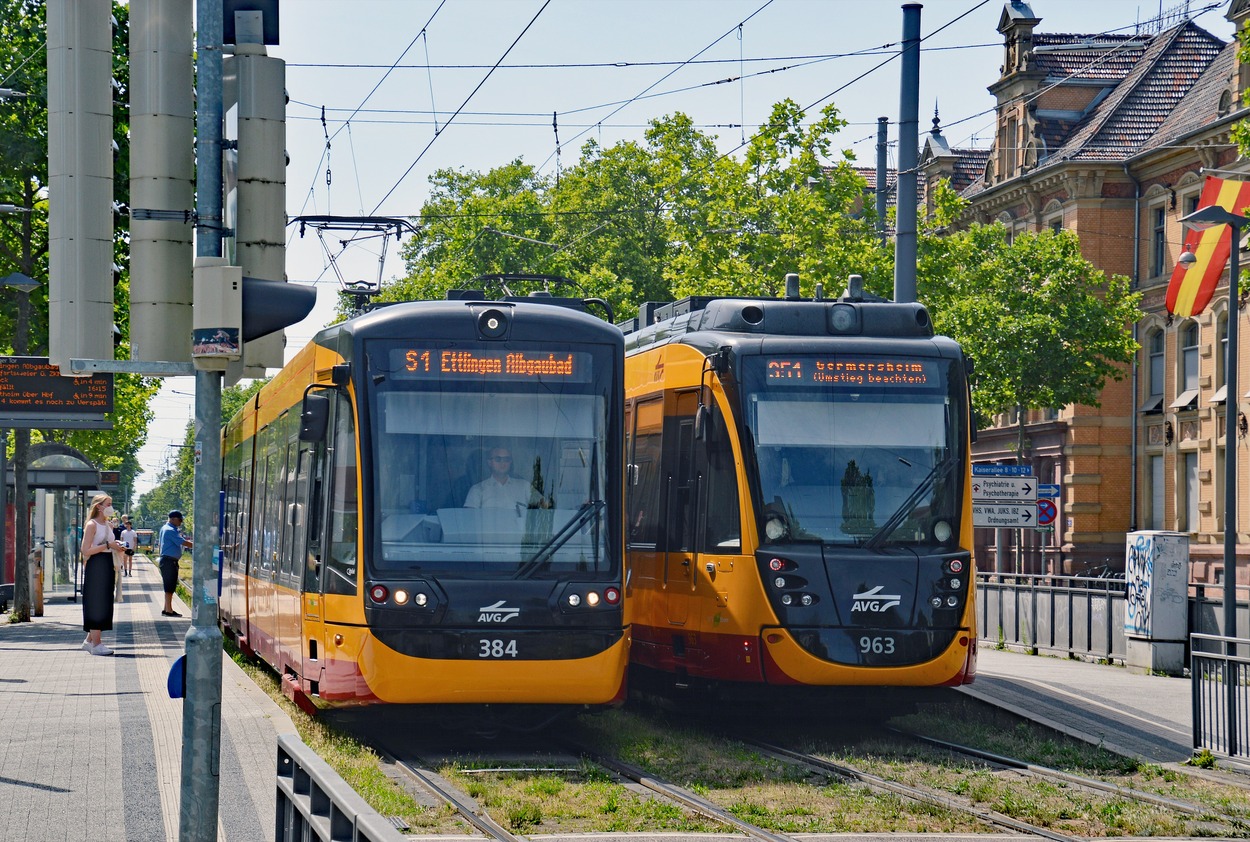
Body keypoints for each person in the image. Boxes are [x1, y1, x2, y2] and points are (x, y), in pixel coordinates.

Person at [81, 494, 125, 655]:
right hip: (96, 565)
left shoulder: (108, 525)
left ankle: (89, 640)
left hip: (107, 564)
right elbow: (85, 550)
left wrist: (118, 546)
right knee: (96, 602)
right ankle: (96, 644)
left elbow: (110, 544)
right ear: (99, 506)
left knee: (104, 601)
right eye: (108, 504)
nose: (111, 507)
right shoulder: (91, 525)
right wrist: (108, 545)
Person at [464, 447, 538, 510]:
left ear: (510, 462)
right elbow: (470, 519)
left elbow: (544, 508)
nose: (502, 463)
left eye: (506, 459)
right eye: (498, 459)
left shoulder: (524, 486)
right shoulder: (478, 489)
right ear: (489, 462)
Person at [157, 510, 192, 617]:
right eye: (180, 519)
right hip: (169, 561)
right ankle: (169, 610)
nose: (181, 522)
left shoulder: (165, 528)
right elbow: (183, 542)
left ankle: (166, 608)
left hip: (168, 560)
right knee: (170, 586)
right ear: (172, 519)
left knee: (170, 585)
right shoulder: (170, 530)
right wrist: (200, 546)